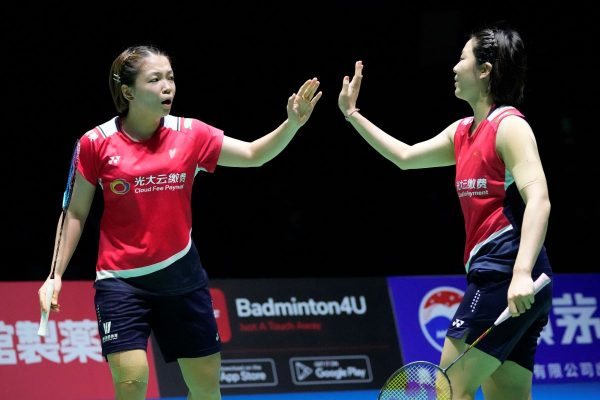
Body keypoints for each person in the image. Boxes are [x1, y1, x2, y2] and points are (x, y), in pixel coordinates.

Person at [38, 44, 322, 400]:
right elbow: (75, 212)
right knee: (131, 384)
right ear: (128, 92)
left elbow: (254, 154)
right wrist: (55, 275)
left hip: (181, 279)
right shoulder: (95, 143)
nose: (167, 86)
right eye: (154, 79)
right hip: (121, 282)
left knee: (206, 390)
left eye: (170, 78)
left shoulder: (191, 134)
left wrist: (292, 124)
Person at [338, 26, 552, 400]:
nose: (454, 67)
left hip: (506, 276)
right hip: (504, 279)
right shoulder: (462, 132)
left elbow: (539, 199)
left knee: (449, 391)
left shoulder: (510, 127)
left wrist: (520, 273)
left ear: (484, 70)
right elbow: (405, 157)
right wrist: (352, 114)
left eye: (462, 58)